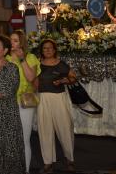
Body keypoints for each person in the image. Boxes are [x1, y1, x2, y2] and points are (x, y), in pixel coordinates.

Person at [0, 35, 25, 174]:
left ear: (5, 50)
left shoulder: (12, 68)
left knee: (11, 151)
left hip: (8, 116)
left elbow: (7, 92)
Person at [36, 39, 77, 173]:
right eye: (45, 48)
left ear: (54, 50)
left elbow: (73, 77)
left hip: (59, 99)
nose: (47, 50)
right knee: (44, 131)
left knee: (64, 129)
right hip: (43, 99)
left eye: (50, 48)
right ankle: (48, 162)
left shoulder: (61, 64)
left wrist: (64, 80)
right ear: (42, 51)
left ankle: (70, 160)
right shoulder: (37, 64)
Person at [6, 30, 40, 174]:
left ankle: (25, 170)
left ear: (21, 43)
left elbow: (31, 77)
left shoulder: (30, 57)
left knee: (24, 139)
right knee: (10, 139)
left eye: (15, 40)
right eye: (11, 40)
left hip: (25, 102)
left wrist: (21, 59)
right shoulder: (5, 58)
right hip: (8, 103)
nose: (12, 43)